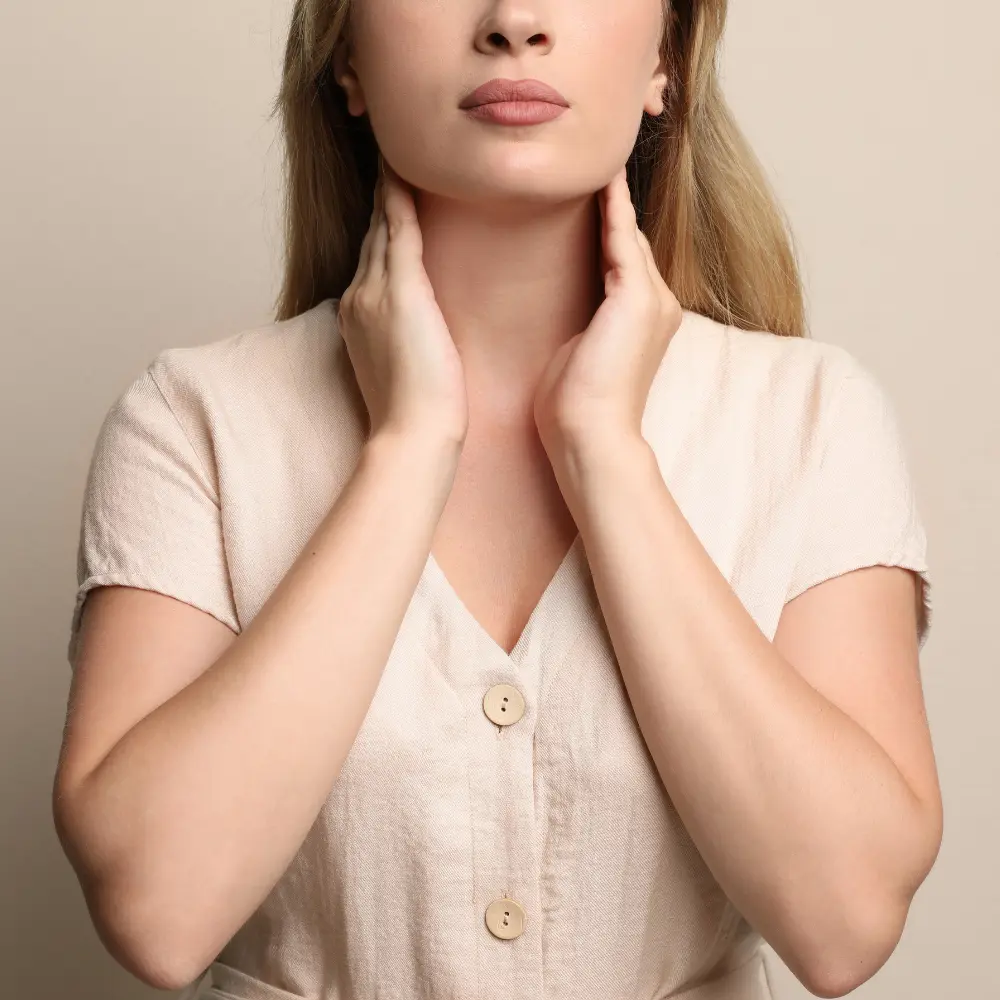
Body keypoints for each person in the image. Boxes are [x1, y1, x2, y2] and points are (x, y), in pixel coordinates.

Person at [52, 1, 943, 998]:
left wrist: (606, 456)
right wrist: (406, 450)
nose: (514, 20)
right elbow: (158, 914)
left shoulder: (811, 421)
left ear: (666, 55)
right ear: (345, 59)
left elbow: (844, 924)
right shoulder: (193, 422)